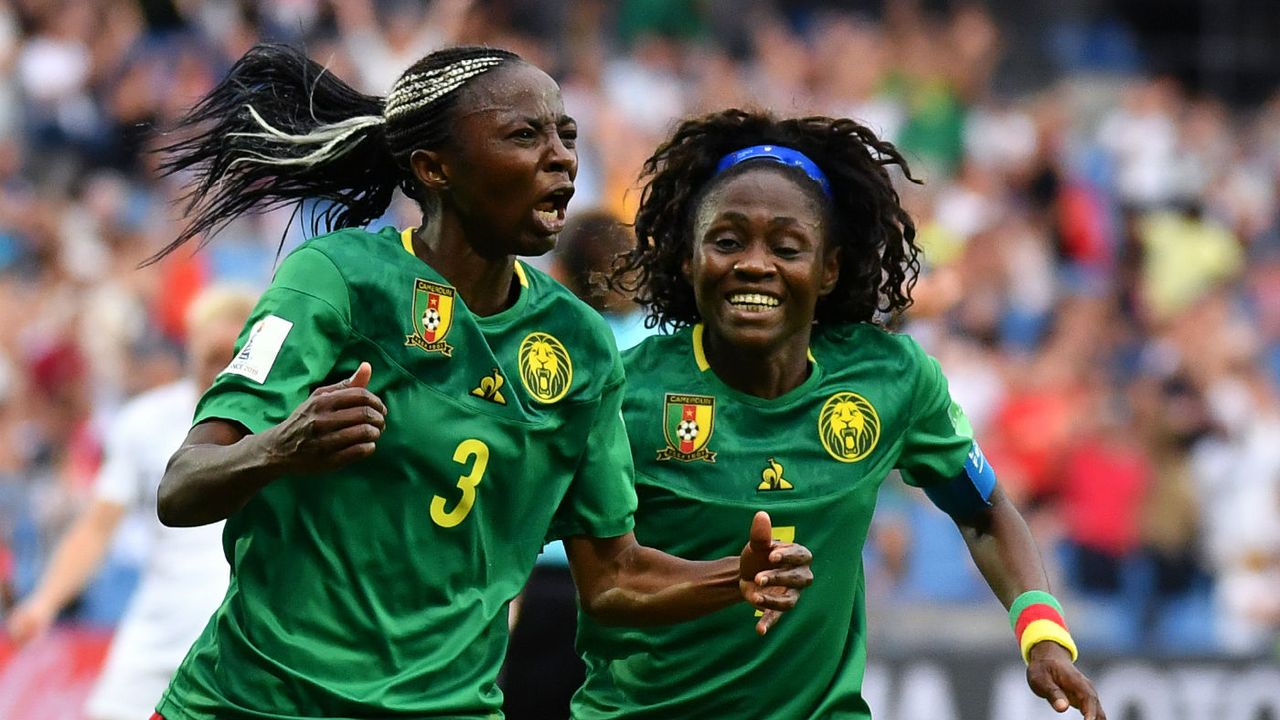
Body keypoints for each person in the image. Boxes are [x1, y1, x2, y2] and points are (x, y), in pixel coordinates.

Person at [147, 45, 813, 720]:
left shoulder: (579, 347)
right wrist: (281, 447)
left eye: (567, 134)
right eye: (525, 135)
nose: (561, 157)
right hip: (253, 702)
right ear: (434, 169)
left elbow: (611, 578)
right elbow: (182, 486)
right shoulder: (336, 279)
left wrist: (737, 576)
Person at [573, 109, 1107, 720]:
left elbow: (985, 513)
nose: (754, 263)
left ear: (828, 269)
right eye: (726, 241)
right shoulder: (624, 393)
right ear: (688, 259)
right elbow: (606, 584)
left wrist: (1041, 634)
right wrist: (732, 579)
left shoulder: (890, 380)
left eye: (787, 246)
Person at [5, 286, 256, 720]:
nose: (220, 367)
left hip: (244, 640)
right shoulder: (145, 421)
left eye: (231, 353)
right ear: (190, 345)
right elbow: (97, 526)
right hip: (158, 637)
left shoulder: (286, 422)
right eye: (210, 353)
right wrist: (45, 600)